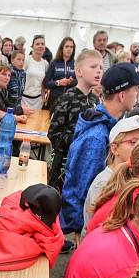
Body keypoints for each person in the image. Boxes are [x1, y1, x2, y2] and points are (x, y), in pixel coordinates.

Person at [60, 63, 139, 236]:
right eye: (136, 89)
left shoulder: (110, 123)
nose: (138, 94)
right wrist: (83, 232)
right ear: (122, 95)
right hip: (89, 225)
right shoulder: (97, 136)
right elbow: (85, 189)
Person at [83, 116, 139, 231]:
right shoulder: (104, 183)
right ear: (114, 149)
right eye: (134, 142)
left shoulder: (138, 177)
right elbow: (98, 227)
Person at [47, 49, 102, 191]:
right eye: (93, 67)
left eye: (101, 68)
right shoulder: (67, 98)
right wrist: (80, 140)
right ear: (79, 72)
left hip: (85, 166)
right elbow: (53, 134)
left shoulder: (96, 101)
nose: (98, 71)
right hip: (63, 167)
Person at [44, 37, 76, 111]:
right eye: (67, 46)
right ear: (62, 48)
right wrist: (58, 82)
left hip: (70, 99)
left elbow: (79, 81)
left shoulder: (76, 64)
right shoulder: (54, 63)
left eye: (71, 47)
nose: (69, 49)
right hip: (54, 98)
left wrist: (71, 82)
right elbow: (46, 83)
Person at [23, 36, 49, 111]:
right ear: (32, 46)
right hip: (24, 99)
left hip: (38, 101)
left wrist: (43, 97)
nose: (40, 46)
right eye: (37, 44)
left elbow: (43, 83)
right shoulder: (26, 60)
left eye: (42, 44)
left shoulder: (45, 63)